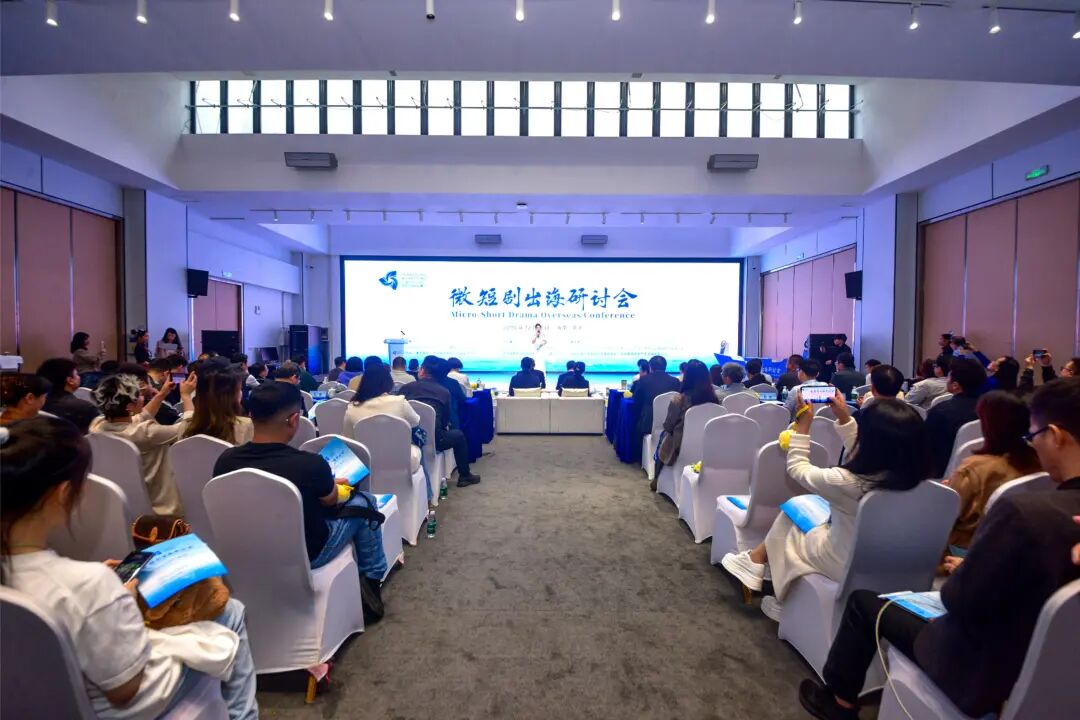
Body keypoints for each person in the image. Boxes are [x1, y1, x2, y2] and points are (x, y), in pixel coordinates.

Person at [797, 378, 1080, 720]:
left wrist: (967, 571)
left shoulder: (1024, 513)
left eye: (1033, 436)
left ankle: (840, 701)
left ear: (1057, 436)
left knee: (864, 605)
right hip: (1055, 676)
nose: (1032, 446)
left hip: (979, 665)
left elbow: (958, 599)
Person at [0, 417, 259, 720]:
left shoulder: (76, 581)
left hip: (35, 699)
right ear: (63, 493)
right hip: (116, 705)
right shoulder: (89, 584)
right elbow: (125, 689)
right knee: (232, 612)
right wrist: (121, 598)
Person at [722, 393, 927, 622]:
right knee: (799, 506)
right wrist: (844, 418)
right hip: (901, 565)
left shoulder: (846, 481)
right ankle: (757, 562)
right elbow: (876, 454)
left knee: (792, 516)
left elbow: (798, 469)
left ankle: (783, 597)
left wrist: (803, 425)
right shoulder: (927, 485)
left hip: (842, 563)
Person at [213, 382, 388, 584]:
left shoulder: (225, 461)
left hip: (246, 552)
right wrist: (332, 485)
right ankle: (372, 577)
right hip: (307, 554)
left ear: (251, 416)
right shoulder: (310, 464)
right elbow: (330, 501)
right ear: (294, 419)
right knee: (365, 502)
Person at [940, 391, 1042, 571]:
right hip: (1021, 550)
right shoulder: (1039, 460)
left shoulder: (974, 468)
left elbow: (946, 517)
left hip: (969, 552)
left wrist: (947, 492)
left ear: (986, 424)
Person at [90, 372, 196, 515]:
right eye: (139, 395)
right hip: (158, 507)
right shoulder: (146, 433)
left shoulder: (97, 425)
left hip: (125, 501)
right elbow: (187, 427)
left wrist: (162, 394)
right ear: (129, 407)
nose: (143, 397)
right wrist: (186, 396)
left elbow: (139, 417)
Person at [398, 357, 482, 486]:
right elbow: (444, 422)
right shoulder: (443, 392)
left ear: (422, 371)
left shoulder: (405, 389)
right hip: (435, 440)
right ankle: (464, 476)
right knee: (459, 436)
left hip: (407, 439)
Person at [345, 364, 422, 473]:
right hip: (401, 461)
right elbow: (416, 422)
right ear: (388, 382)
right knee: (419, 446)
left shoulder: (352, 407)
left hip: (366, 464)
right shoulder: (399, 402)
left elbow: (348, 438)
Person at [656, 360, 720, 487]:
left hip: (680, 446)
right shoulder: (716, 401)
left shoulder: (679, 400)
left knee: (664, 436)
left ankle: (657, 477)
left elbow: (668, 426)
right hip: (709, 446)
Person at [925, 357, 987, 478]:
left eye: (948, 377)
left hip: (944, 478)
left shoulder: (940, 411)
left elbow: (926, 449)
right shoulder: (991, 409)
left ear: (955, 386)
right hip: (982, 473)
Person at [178, 369, 252, 445]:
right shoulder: (247, 426)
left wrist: (185, 395)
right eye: (239, 389)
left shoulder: (186, 426)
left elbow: (189, 415)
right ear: (232, 397)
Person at [36, 358, 100, 434]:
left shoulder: (37, 404)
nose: (79, 377)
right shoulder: (85, 408)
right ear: (70, 380)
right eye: (77, 374)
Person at [631, 355, 681, 440]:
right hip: (671, 422)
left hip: (647, 424)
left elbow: (636, 400)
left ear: (650, 367)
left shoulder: (643, 380)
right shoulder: (675, 381)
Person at [115, 362, 180, 426]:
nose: (152, 386)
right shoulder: (146, 423)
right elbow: (178, 423)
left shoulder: (115, 407)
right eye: (150, 381)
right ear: (142, 384)